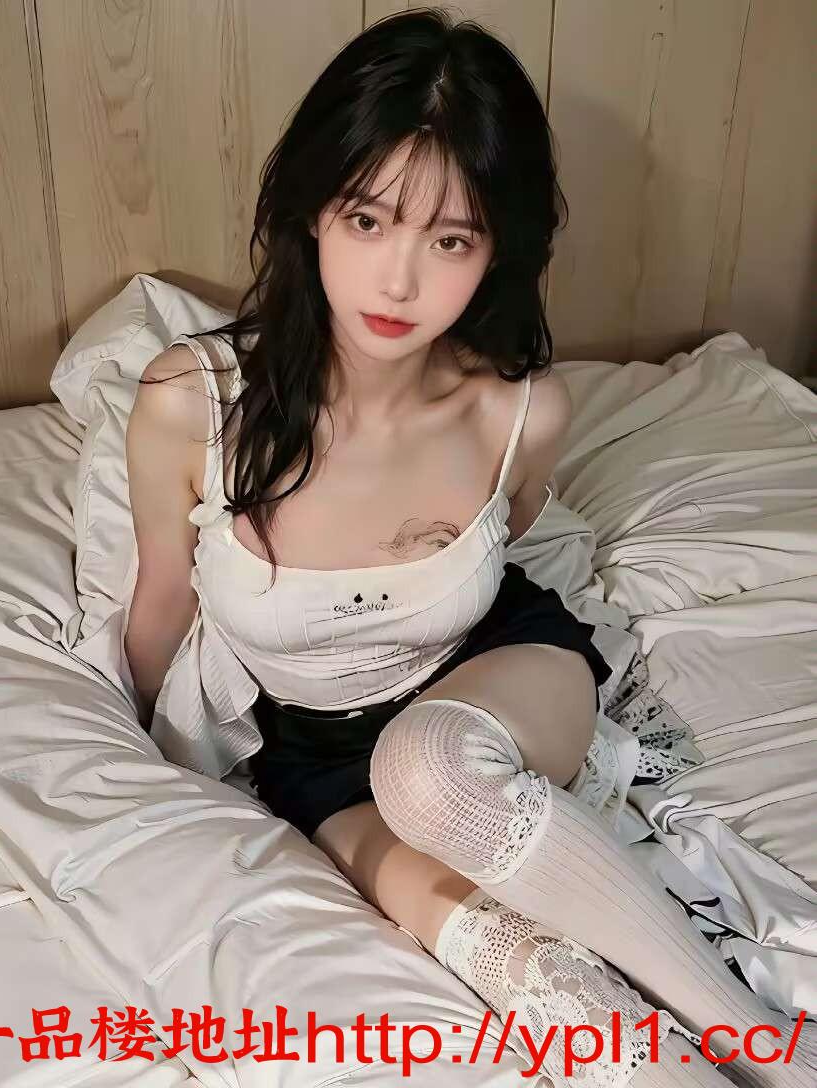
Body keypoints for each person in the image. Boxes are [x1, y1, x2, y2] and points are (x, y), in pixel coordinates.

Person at [124, 9, 815, 1087]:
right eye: (368, 220)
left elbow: (514, 540)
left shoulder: (519, 412)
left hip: (501, 676)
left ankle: (771, 1049)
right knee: (525, 964)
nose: (398, 282)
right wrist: (135, 759)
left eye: (451, 240)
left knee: (434, 768)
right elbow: (162, 602)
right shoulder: (193, 403)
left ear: (498, 252)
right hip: (315, 757)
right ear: (312, 209)